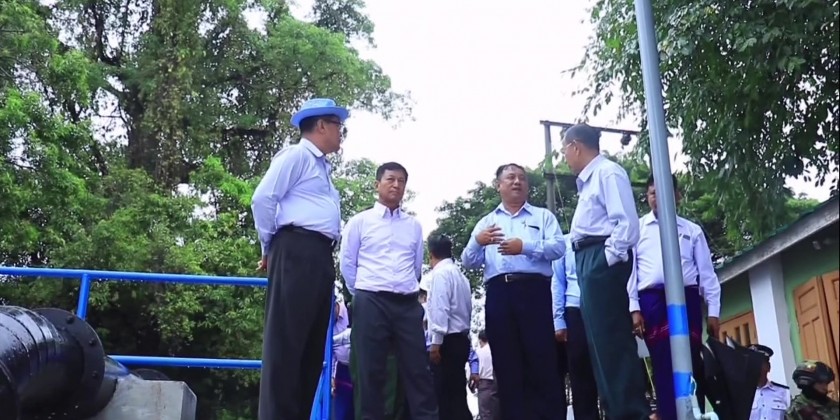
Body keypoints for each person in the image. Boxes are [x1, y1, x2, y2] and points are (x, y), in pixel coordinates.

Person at [251, 97, 347, 420]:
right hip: (295, 249)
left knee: (310, 349)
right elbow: (263, 198)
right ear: (321, 125)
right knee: (286, 346)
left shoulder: (322, 168)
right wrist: (269, 246)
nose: (341, 132)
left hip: (319, 255)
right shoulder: (297, 155)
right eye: (337, 125)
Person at [561, 123, 652, 420]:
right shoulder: (589, 181)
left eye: (564, 151)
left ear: (575, 146)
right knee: (599, 346)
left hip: (600, 258)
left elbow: (627, 225)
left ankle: (631, 414)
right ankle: (616, 412)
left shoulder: (607, 173)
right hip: (588, 260)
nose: (565, 158)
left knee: (612, 343)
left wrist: (605, 260)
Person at [461, 163, 566, 420]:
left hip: (535, 292)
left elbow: (558, 247)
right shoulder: (487, 222)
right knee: (507, 364)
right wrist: (477, 241)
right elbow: (467, 261)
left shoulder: (542, 217)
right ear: (498, 185)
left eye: (521, 178)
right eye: (510, 177)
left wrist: (525, 247)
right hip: (500, 294)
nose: (517, 182)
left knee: (542, 360)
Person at [339, 162, 438, 419]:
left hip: (406, 303)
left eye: (401, 181)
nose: (396, 185)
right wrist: (363, 293)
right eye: (390, 179)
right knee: (369, 369)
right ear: (377, 184)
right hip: (370, 299)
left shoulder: (414, 226)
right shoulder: (360, 222)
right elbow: (347, 263)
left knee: (418, 369)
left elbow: (416, 266)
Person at [628, 174, 722, 420]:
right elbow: (631, 274)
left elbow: (707, 275)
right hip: (652, 302)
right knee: (662, 361)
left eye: (664, 192)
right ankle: (669, 415)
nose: (658, 198)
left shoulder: (692, 231)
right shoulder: (637, 230)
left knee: (689, 359)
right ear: (647, 197)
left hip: (685, 299)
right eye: (653, 193)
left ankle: (692, 414)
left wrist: (714, 312)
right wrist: (634, 309)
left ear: (677, 196)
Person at [552, 236, 601, 420]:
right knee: (580, 374)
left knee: (611, 370)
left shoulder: (608, 234)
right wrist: (558, 320)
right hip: (575, 310)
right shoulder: (565, 242)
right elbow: (557, 282)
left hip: (604, 309)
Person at [426, 234, 474, 420]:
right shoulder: (461, 276)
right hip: (461, 338)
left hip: (447, 340)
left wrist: (435, 343)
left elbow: (440, 309)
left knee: (443, 398)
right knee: (457, 395)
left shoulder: (440, 274)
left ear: (431, 254)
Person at [747, 344, 789, 420]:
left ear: (768, 367)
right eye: (752, 364)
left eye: (759, 363)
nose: (755, 367)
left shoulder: (784, 392)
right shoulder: (740, 395)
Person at [473, 330, 500, 420]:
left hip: (484, 383)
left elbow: (474, 370)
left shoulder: (479, 352)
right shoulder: (496, 350)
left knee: (485, 413)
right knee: (497, 412)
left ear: (480, 340)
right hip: (497, 382)